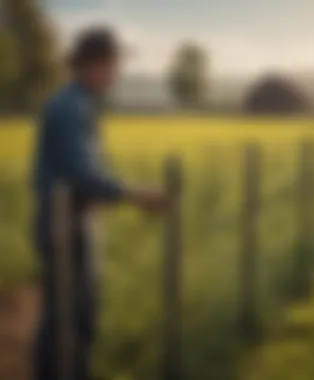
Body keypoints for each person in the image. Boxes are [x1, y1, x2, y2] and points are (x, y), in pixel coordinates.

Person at [33, 27, 170, 380]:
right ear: (92, 64)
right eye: (113, 63)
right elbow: (82, 174)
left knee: (79, 313)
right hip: (64, 226)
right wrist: (136, 194)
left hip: (76, 220)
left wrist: (117, 192)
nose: (117, 72)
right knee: (66, 318)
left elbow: (89, 171)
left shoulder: (80, 102)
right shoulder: (68, 107)